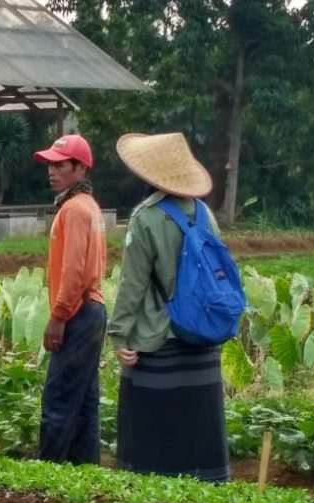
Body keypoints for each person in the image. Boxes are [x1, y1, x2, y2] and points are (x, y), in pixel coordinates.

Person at [108, 132, 229, 483]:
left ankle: (155, 502)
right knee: (199, 427)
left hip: (159, 338)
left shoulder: (146, 217)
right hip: (203, 336)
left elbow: (133, 284)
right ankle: (208, 492)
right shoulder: (205, 213)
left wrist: (119, 336)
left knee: (151, 431)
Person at [32, 134, 107, 465]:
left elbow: (74, 271)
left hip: (78, 311)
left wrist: (58, 316)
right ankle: (84, 471)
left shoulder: (74, 210)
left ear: (80, 168)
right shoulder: (88, 206)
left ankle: (48, 474)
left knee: (59, 398)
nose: (51, 170)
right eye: (50, 164)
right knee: (85, 399)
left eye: (60, 164)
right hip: (92, 310)